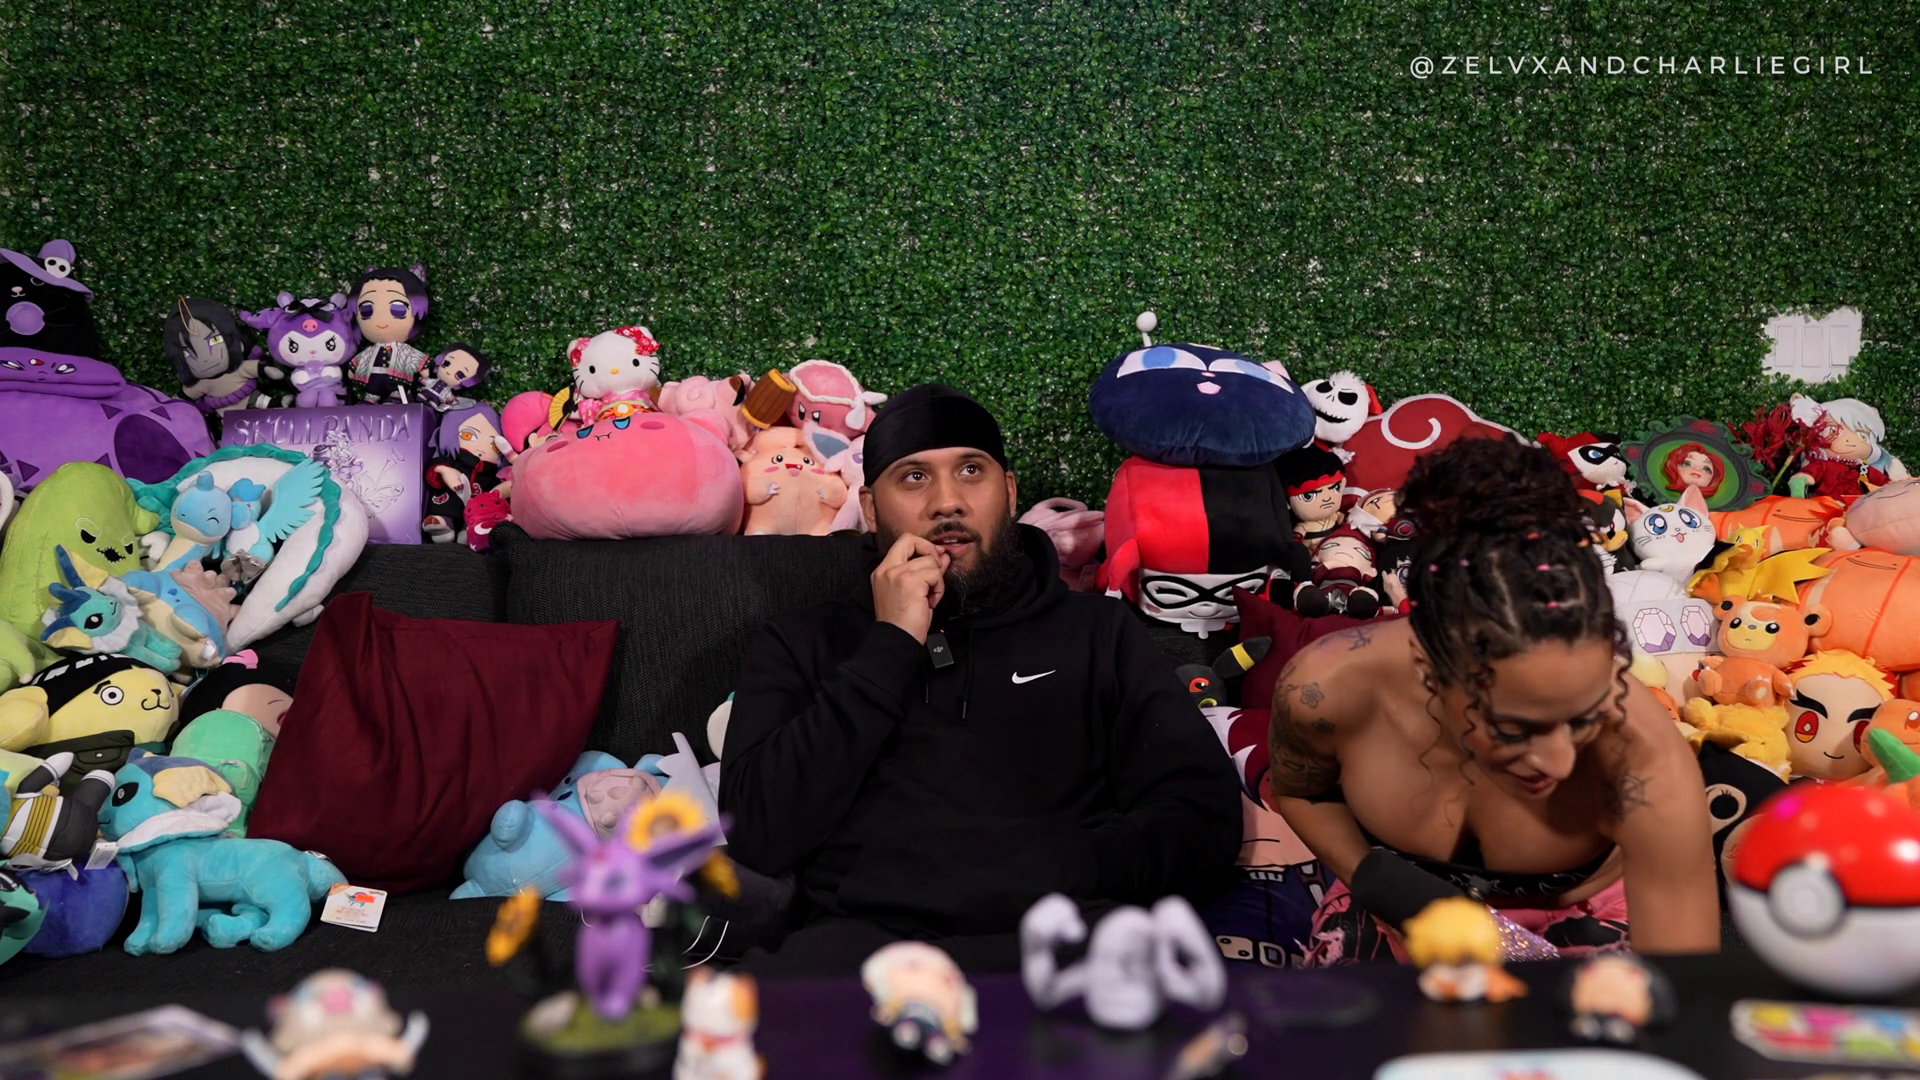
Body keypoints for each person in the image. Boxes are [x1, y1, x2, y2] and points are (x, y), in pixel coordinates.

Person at [719, 384, 1241, 974]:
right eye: (914, 477)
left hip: (1069, 947)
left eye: (971, 471)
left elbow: (1201, 817)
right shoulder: (800, 640)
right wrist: (890, 647)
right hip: (865, 958)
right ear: (870, 509)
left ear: (1010, 492)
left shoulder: (1099, 631)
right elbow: (756, 833)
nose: (947, 502)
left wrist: (1051, 869)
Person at [1267, 437, 1720, 963]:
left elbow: (1679, 979)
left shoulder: (1645, 753)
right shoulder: (1325, 689)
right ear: (1428, 669)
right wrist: (1374, 878)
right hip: (1393, 906)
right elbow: (1303, 791)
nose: (1560, 760)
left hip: (1579, 922)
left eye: (1584, 719)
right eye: (1515, 727)